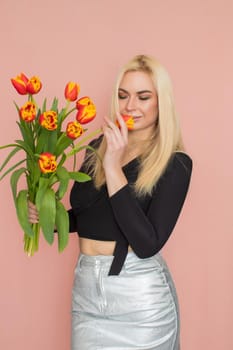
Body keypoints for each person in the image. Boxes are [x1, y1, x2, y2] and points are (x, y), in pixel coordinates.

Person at [28, 54, 192, 350]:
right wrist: (49, 217)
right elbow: (87, 216)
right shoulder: (96, 146)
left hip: (139, 297)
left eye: (143, 97)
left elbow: (147, 243)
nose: (130, 106)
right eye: (123, 95)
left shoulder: (175, 163)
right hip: (87, 290)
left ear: (161, 102)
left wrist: (113, 167)